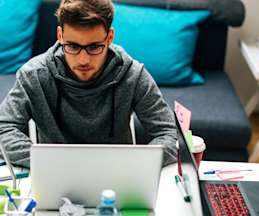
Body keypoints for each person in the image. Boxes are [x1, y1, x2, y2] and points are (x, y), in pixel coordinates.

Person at [0, 0, 177, 167]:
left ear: (109, 37)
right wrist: (45, 162)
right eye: (73, 46)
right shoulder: (34, 76)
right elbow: (4, 128)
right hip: (55, 177)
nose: (83, 60)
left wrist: (135, 164)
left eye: (94, 47)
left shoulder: (133, 75)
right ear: (60, 35)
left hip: (118, 179)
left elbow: (168, 134)